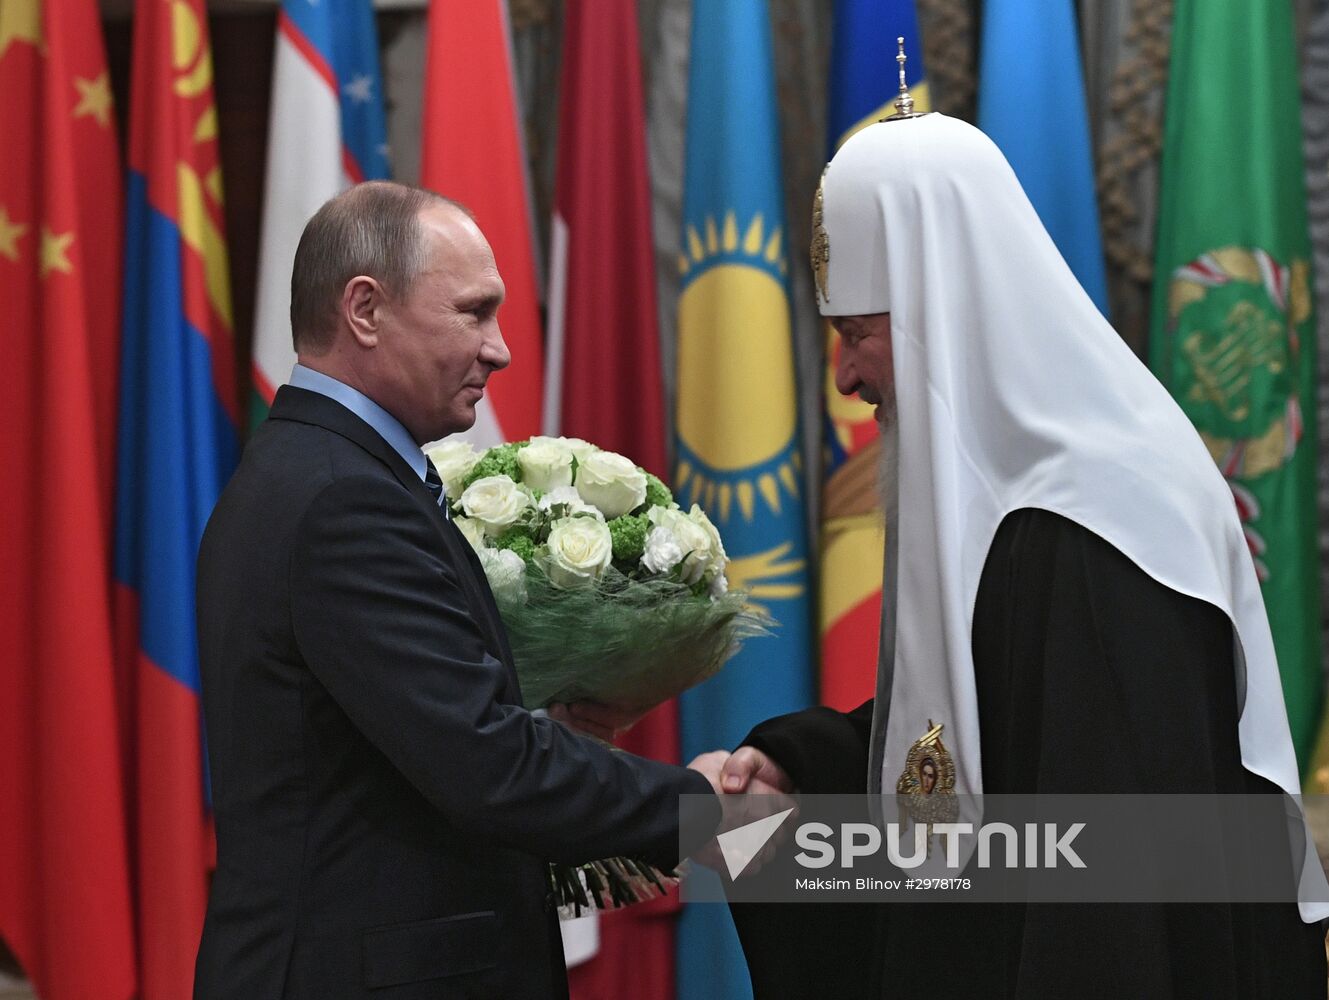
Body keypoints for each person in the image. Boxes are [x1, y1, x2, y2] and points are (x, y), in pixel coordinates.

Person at [719, 112, 1328, 997]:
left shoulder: (1090, 526)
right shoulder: (1021, 498)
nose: (845, 379)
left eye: (855, 332)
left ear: (941, 310)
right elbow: (984, 734)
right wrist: (801, 760)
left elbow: (1101, 895)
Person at [193, 182, 727, 1000]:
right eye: (473, 312)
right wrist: (719, 816)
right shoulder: (343, 499)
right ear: (364, 310)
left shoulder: (321, 473)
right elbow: (488, 767)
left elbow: (386, 748)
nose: (501, 348)